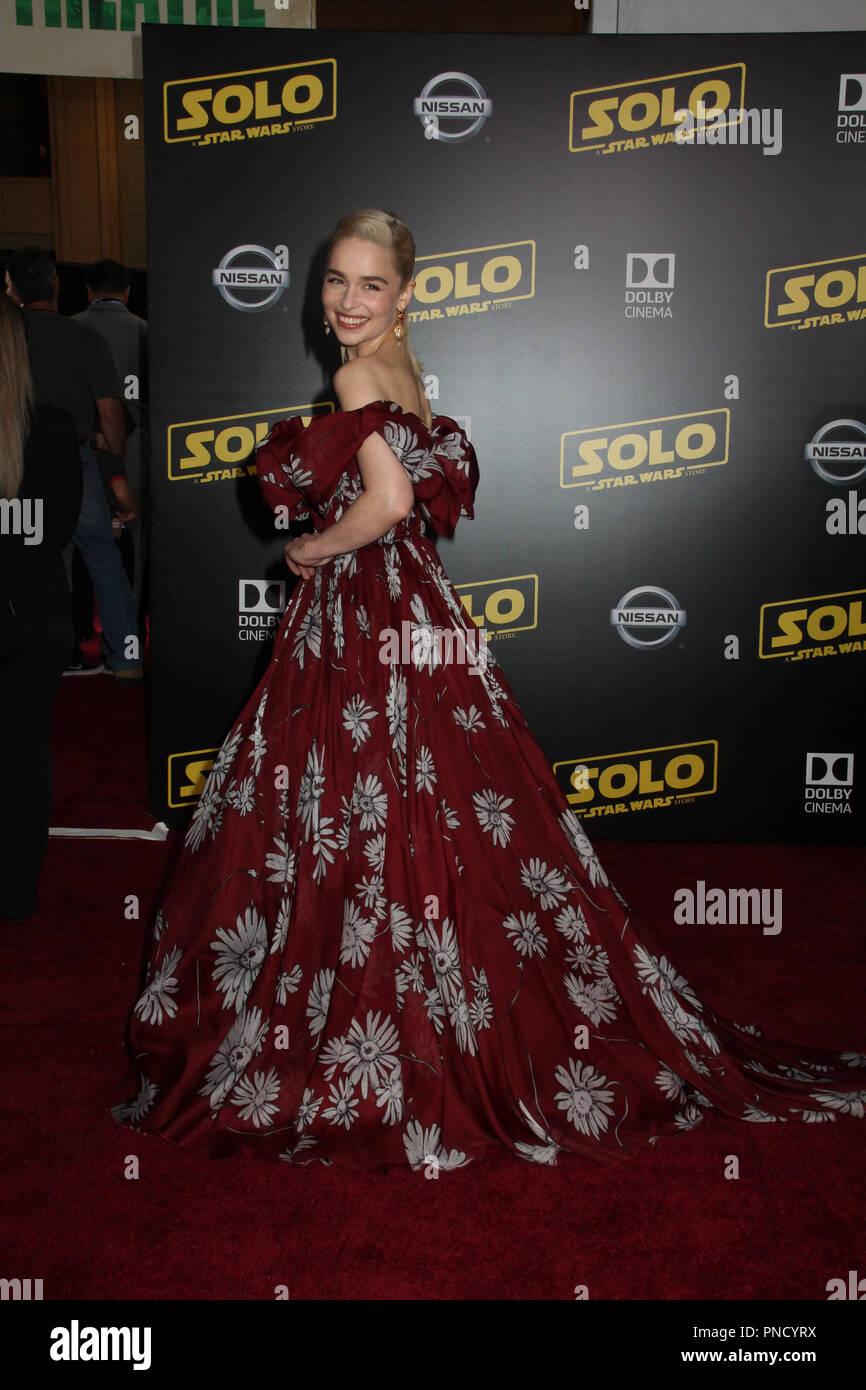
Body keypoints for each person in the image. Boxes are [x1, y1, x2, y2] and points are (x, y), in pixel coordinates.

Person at [113, 210, 865, 1170]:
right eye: (335, 282)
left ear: (405, 294)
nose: (346, 301)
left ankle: (376, 1015)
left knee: (346, 800)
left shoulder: (354, 376)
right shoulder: (408, 375)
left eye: (369, 285)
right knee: (433, 802)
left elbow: (385, 504)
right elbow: (405, 497)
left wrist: (307, 544)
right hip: (414, 607)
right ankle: (444, 996)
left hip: (367, 615)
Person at [4, 248, 142, 683]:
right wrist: (115, 465)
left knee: (27, 558)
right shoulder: (83, 339)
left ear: (11, 289)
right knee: (102, 554)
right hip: (72, 460)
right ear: (57, 286)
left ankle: (45, 656)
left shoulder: (11, 337)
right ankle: (127, 658)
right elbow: (110, 412)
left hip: (14, 460)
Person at [0, 295, 82, 921]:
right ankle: (18, 893)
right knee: (26, 752)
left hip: (27, 610)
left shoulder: (50, 427)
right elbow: (58, 530)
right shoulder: (55, 428)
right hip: (42, 612)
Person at [74, 259, 149, 625]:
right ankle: (127, 643)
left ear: (88, 291)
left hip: (74, 459)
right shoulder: (146, 331)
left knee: (73, 548)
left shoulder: (69, 330)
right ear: (128, 292)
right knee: (132, 553)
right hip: (135, 459)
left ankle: (76, 640)